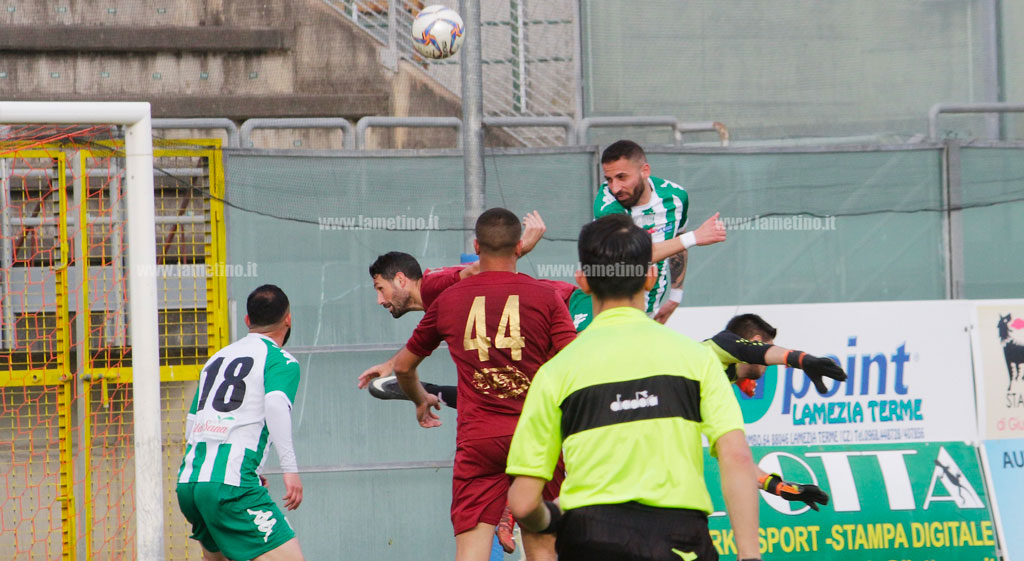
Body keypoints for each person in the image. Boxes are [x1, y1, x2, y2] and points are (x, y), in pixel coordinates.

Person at [506, 214, 761, 561]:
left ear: (582, 281)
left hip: (587, 536)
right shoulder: (695, 358)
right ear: (650, 276)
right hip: (680, 540)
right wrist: (750, 556)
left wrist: (549, 518)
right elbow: (736, 457)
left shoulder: (556, 372)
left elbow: (522, 503)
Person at [391, 207, 577, 561]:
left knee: (472, 550)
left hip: (479, 440)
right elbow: (576, 365)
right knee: (543, 546)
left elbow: (402, 366)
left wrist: (420, 398)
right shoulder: (546, 296)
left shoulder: (449, 299)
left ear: (476, 246)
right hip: (536, 438)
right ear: (519, 247)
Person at [176, 285, 305, 561]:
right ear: (288, 319)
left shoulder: (216, 359)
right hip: (231, 487)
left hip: (190, 483)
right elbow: (275, 404)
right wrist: (290, 469)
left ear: (247, 321)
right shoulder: (280, 360)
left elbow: (192, 421)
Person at [595, 139, 727, 323]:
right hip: (611, 313)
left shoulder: (676, 197)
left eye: (622, 177)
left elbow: (677, 242)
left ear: (645, 171)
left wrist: (675, 296)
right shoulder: (607, 207)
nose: (615, 188)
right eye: (609, 179)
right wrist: (695, 237)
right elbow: (631, 256)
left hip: (650, 309)